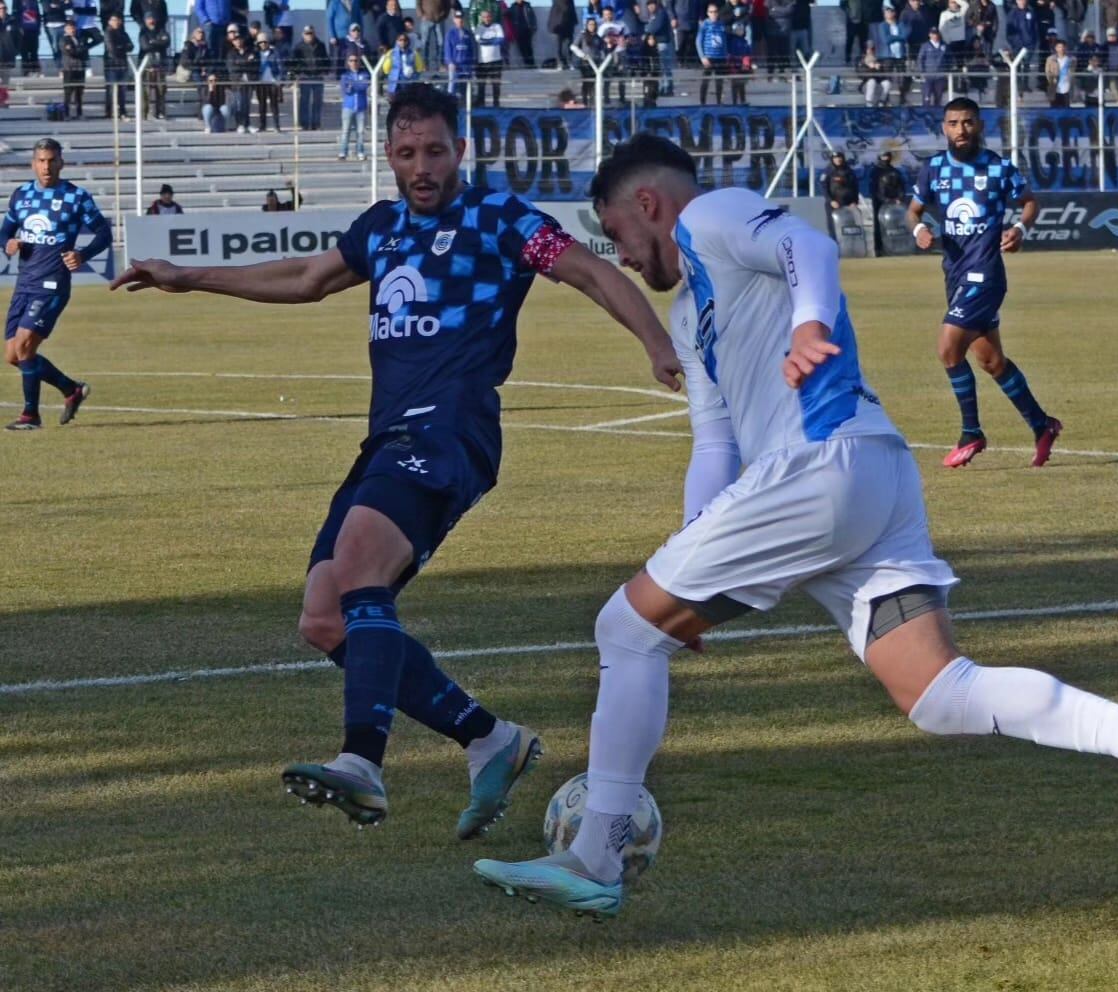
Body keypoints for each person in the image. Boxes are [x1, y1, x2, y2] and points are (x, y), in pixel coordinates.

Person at [471, 132, 1118, 917]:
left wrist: (808, 326)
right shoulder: (688, 309)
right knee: (939, 694)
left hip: (817, 464)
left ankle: (596, 853)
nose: (624, 256)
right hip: (867, 478)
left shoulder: (710, 217)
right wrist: (688, 583)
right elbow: (715, 445)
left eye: (620, 238)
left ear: (647, 204)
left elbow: (805, 242)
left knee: (621, 630)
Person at [110, 85, 683, 838]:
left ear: (461, 152)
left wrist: (655, 341)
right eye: (407, 152)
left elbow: (591, 272)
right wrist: (190, 278)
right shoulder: (380, 228)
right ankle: (489, 739)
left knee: (357, 571)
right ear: (387, 154)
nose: (422, 167)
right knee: (323, 618)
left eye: (436, 151)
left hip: (450, 431)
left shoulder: (500, 219)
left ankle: (362, 763)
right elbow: (309, 280)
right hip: (389, 438)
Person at [904, 98, 1061, 469]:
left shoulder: (998, 168)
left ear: (979, 125)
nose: (961, 130)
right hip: (955, 274)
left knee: (948, 348)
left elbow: (1029, 203)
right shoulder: (932, 170)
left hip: (986, 275)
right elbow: (913, 211)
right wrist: (919, 228)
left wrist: (1020, 228)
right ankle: (1043, 425)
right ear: (944, 127)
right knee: (991, 361)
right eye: (954, 123)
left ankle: (971, 432)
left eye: (968, 122)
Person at [1, 139, 107, 431]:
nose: (46, 166)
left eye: (51, 160)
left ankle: (30, 415)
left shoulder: (76, 197)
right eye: (41, 161)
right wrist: (7, 243)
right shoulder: (21, 195)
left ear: (61, 162)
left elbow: (104, 233)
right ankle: (71, 389)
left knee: (24, 345)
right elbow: (5, 231)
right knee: (14, 355)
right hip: (24, 282)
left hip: (53, 283)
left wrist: (82, 254)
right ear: (33, 163)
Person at [290, 23, 327, 129]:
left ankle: (316, 124)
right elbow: (292, 63)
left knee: (317, 101)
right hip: (305, 76)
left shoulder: (321, 45)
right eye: (307, 33)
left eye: (311, 33)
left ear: (314, 33)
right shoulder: (298, 47)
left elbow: (326, 60)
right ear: (303, 34)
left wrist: (325, 71)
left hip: (318, 76)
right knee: (304, 101)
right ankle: (304, 124)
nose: (309, 35)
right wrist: (293, 77)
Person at [137, 11, 169, 118]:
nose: (151, 21)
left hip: (160, 65)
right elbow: (145, 46)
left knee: (161, 90)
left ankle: (160, 112)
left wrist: (153, 42)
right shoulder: (143, 32)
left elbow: (167, 42)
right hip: (146, 66)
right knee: (145, 91)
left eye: (152, 18)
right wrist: (158, 42)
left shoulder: (161, 30)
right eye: (149, 19)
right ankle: (144, 113)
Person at [338, 51, 369, 159]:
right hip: (348, 107)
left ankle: (360, 151)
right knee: (345, 131)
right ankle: (343, 152)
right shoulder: (345, 75)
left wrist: (353, 84)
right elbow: (346, 90)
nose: (354, 62)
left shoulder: (364, 74)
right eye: (351, 60)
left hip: (361, 107)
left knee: (360, 132)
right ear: (348, 62)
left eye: (356, 60)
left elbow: (364, 86)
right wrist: (356, 85)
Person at [102, 12, 132, 118]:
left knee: (123, 90)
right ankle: (109, 111)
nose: (115, 22)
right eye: (113, 20)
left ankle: (122, 111)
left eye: (117, 20)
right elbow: (112, 49)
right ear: (110, 22)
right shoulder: (108, 32)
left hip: (123, 64)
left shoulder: (123, 33)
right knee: (111, 89)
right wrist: (122, 47)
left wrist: (121, 47)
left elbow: (131, 46)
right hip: (111, 64)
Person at [696, 1, 726, 104]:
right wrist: (702, 57)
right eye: (711, 12)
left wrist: (726, 54)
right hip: (709, 57)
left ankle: (719, 102)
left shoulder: (721, 24)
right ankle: (702, 102)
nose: (713, 14)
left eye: (715, 12)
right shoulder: (705, 25)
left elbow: (724, 40)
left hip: (720, 57)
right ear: (708, 13)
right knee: (705, 81)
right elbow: (698, 41)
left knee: (719, 81)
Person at [571, 14, 605, 104]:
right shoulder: (582, 35)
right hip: (586, 63)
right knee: (586, 82)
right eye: (590, 24)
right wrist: (582, 55)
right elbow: (573, 46)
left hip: (596, 63)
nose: (592, 26)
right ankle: (585, 101)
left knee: (594, 83)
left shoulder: (598, 37)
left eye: (593, 24)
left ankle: (593, 101)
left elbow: (602, 49)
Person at [473, 5, 503, 106]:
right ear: (481, 18)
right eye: (484, 17)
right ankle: (482, 104)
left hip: (496, 60)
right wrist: (492, 40)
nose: (487, 18)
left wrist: (487, 41)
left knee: (496, 85)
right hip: (482, 61)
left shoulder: (497, 26)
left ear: (491, 17)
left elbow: (500, 40)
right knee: (481, 85)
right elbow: (479, 41)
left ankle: (496, 104)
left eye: (488, 16)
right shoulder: (479, 28)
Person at [443, 9, 475, 102]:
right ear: (454, 20)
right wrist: (450, 62)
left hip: (466, 65)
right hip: (455, 66)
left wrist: (471, 63)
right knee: (452, 86)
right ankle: (449, 104)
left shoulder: (468, 34)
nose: (459, 20)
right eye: (457, 18)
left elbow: (471, 49)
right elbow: (447, 49)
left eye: (461, 18)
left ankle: (465, 105)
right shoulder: (450, 34)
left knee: (466, 88)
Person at [254, 32, 283, 130]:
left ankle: (276, 125)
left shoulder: (274, 53)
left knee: (274, 104)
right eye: (260, 42)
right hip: (261, 82)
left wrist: (279, 80)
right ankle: (262, 125)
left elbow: (280, 67)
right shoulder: (256, 54)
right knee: (262, 105)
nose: (263, 44)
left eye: (265, 42)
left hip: (272, 82)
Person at [380, 30, 424, 95]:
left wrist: (414, 77)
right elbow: (386, 69)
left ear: (408, 42)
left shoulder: (414, 53)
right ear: (397, 41)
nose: (402, 42)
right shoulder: (391, 53)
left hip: (409, 83)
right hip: (395, 84)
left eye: (405, 40)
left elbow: (420, 68)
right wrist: (393, 75)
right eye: (400, 40)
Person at [59, 20, 87, 118]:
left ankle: (79, 113)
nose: (71, 30)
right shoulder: (63, 40)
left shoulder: (80, 38)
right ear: (65, 29)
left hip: (80, 68)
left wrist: (78, 50)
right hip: (69, 69)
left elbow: (84, 50)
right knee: (68, 92)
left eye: (73, 28)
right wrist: (79, 50)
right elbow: (70, 52)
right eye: (69, 28)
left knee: (79, 92)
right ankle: (66, 113)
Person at [1045, 37, 1073, 105]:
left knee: (1066, 110)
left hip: (1066, 89)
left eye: (1063, 47)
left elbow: (1073, 72)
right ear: (1056, 48)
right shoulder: (1050, 59)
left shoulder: (1071, 59)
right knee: (1054, 109)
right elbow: (1047, 72)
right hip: (1054, 88)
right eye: (1059, 47)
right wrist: (1052, 80)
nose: (1062, 49)